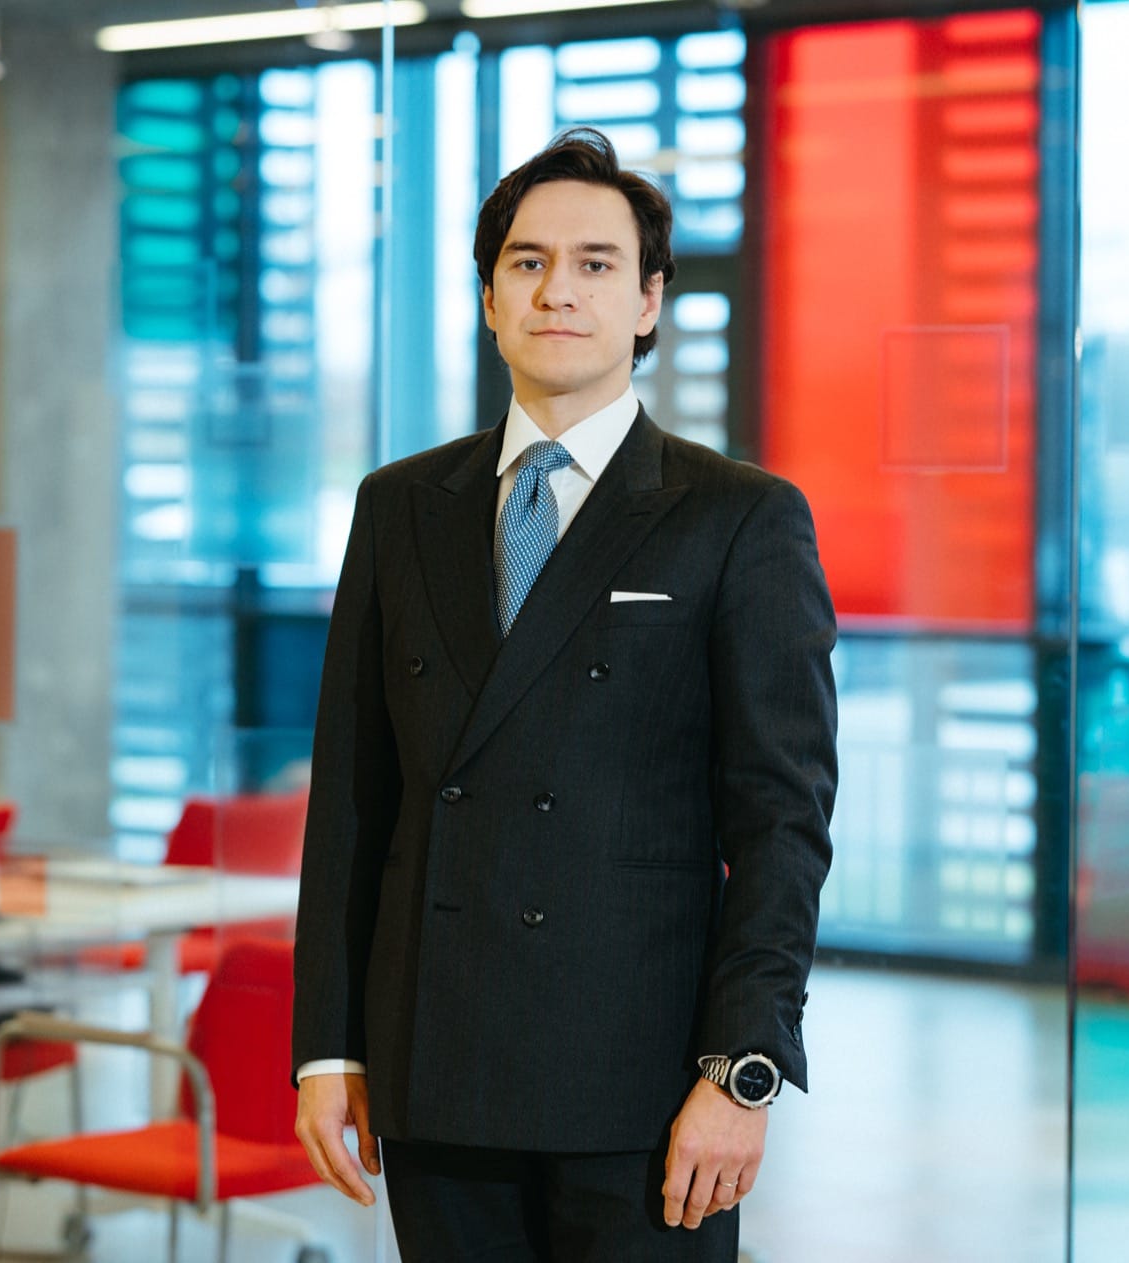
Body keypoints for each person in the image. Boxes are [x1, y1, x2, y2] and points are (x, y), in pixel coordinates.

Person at [291, 126, 837, 1261]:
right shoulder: (399, 507)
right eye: (528, 263)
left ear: (647, 301)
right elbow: (352, 803)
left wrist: (742, 1069)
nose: (558, 291)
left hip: (644, 1083)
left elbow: (781, 824)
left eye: (596, 263)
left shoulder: (737, 516)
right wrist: (328, 1048)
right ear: (490, 300)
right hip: (435, 1066)